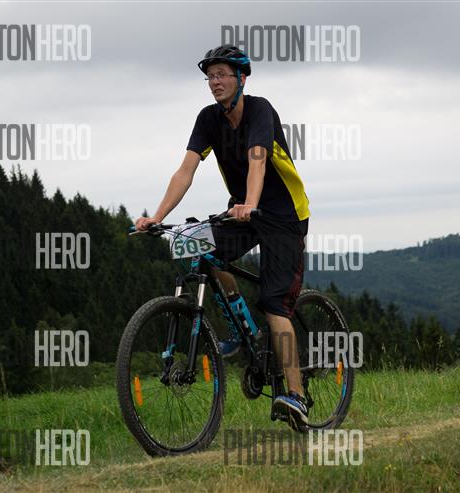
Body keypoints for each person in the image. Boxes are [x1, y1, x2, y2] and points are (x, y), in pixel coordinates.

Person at [136, 45, 311, 430]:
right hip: (243, 211)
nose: (214, 82)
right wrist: (157, 217)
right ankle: (239, 327)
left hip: (283, 215)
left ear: (241, 79)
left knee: (274, 304)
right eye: (210, 76)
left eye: (222, 75)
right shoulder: (208, 118)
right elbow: (185, 170)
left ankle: (296, 395)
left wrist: (251, 203)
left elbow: (257, 159)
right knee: (202, 248)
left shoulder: (260, 110)